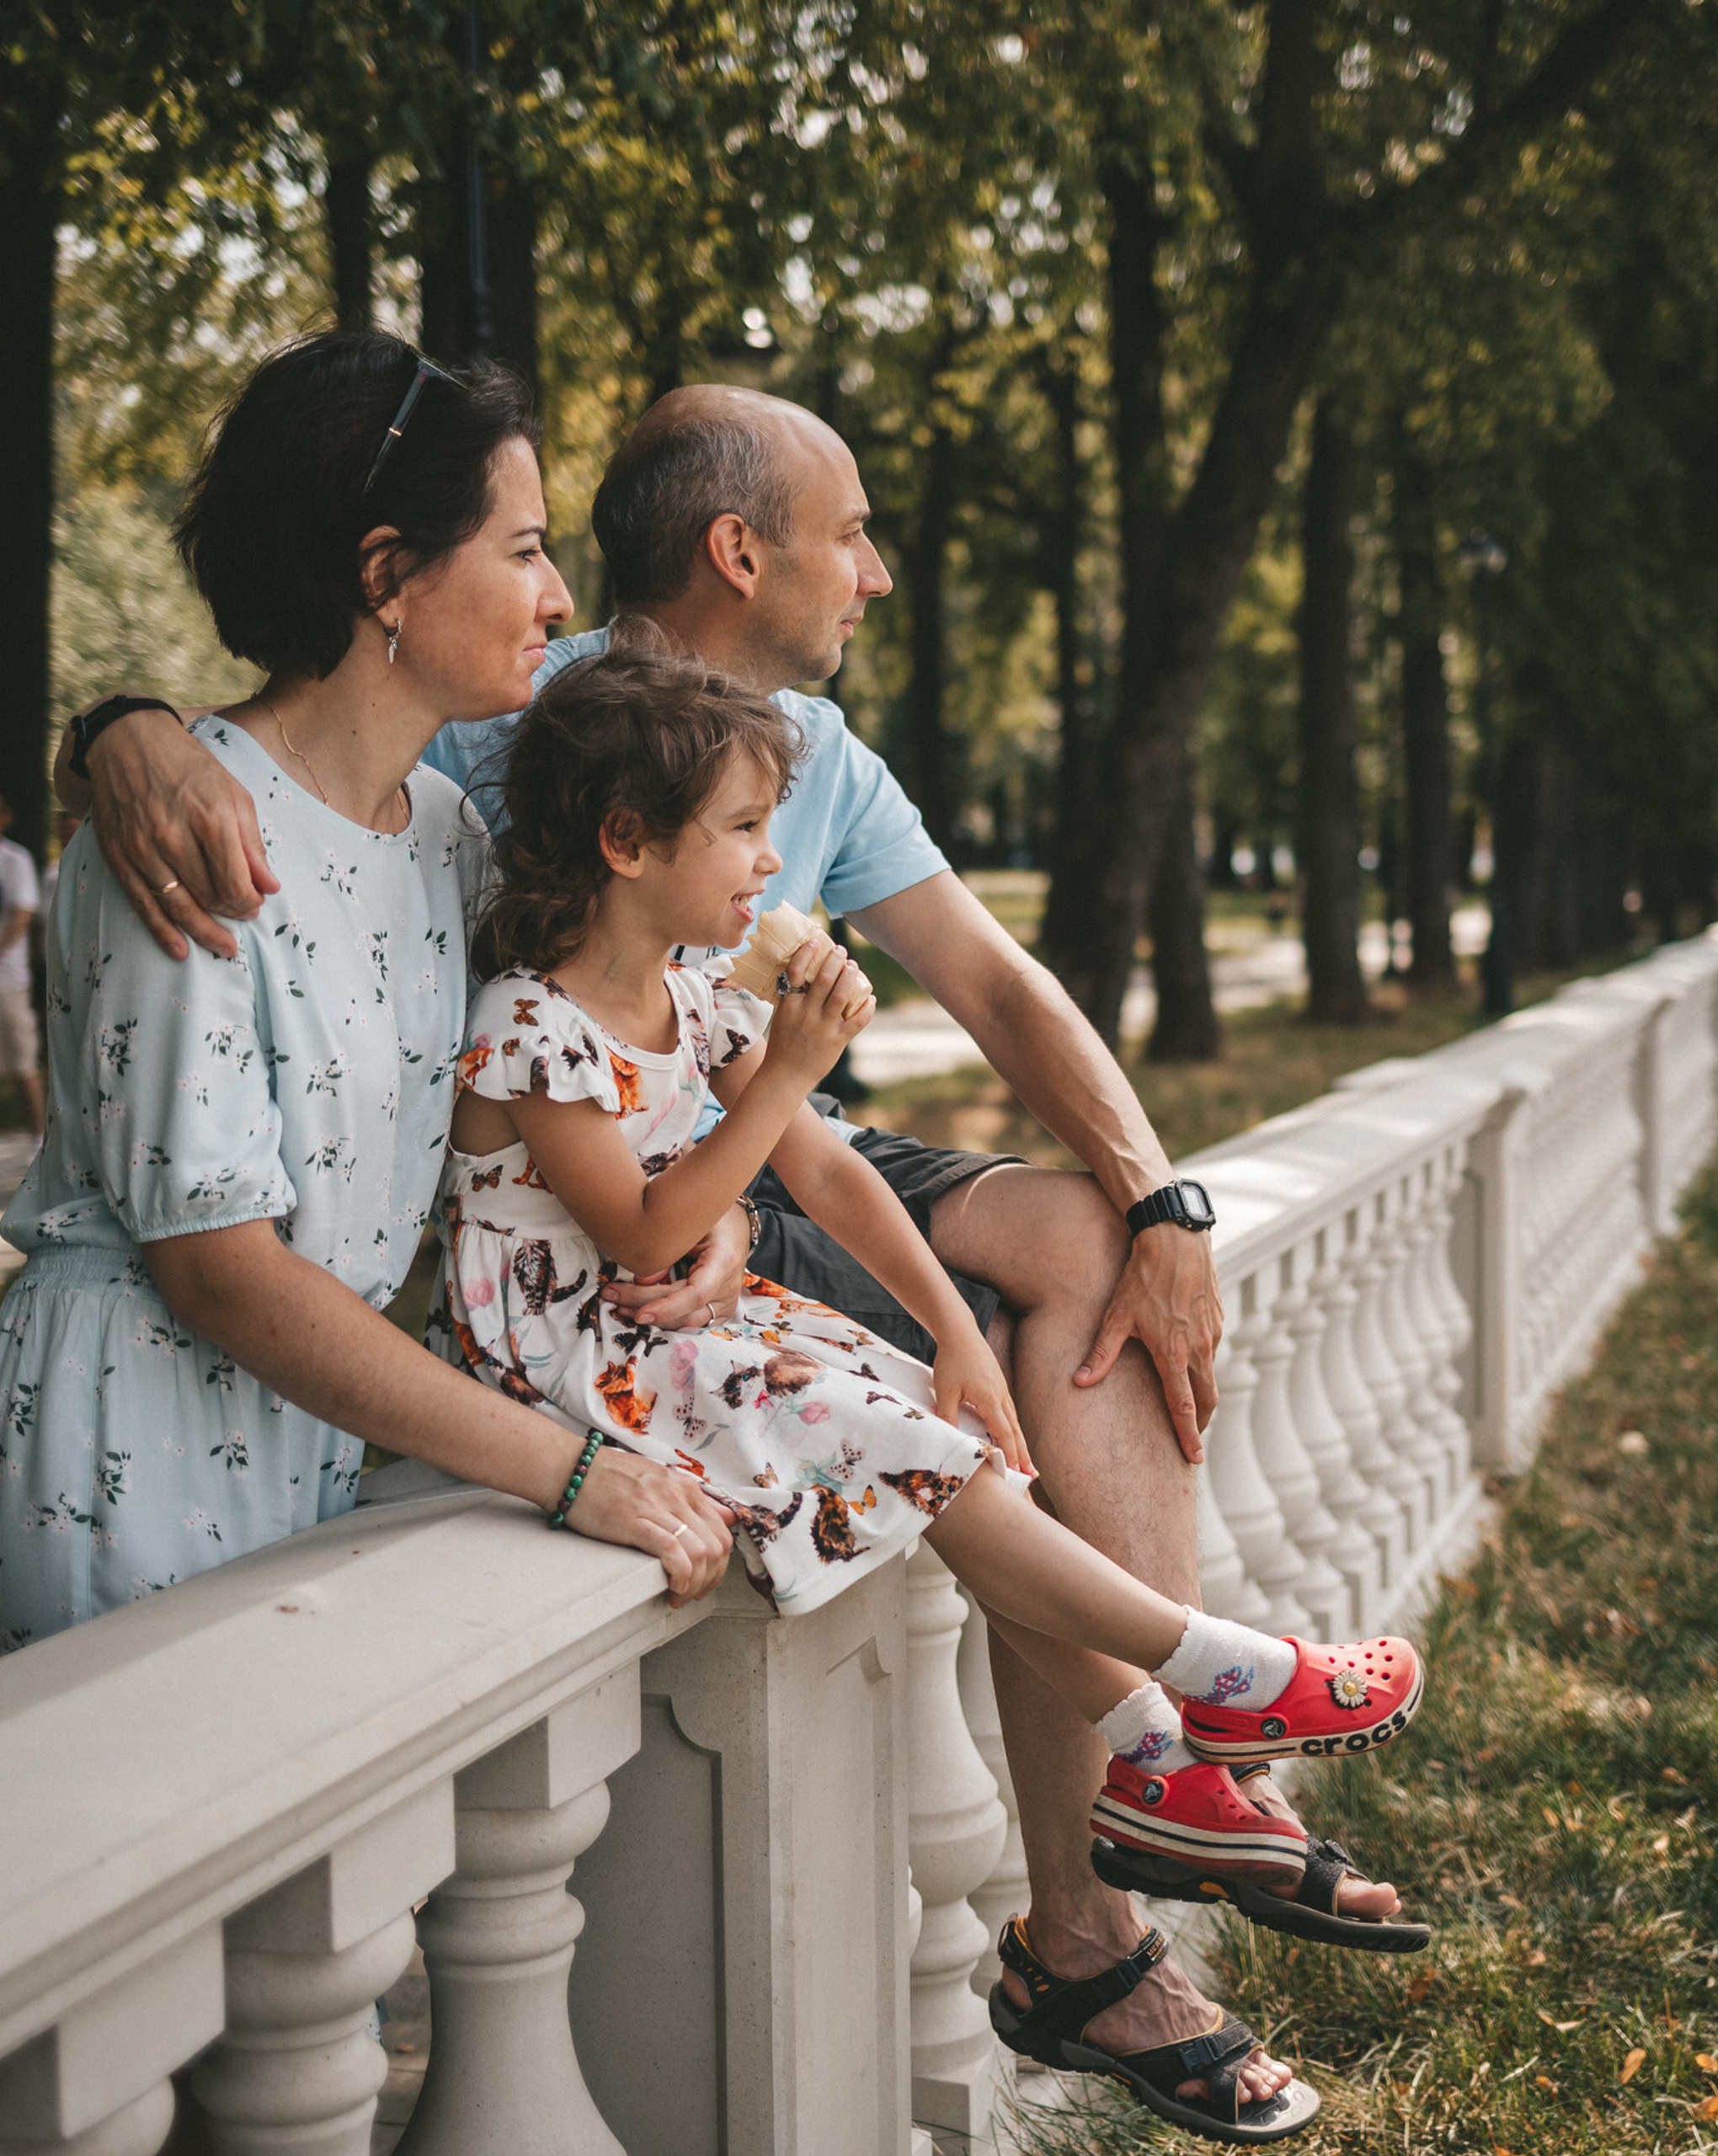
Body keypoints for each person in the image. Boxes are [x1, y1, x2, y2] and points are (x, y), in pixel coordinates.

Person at [56, 384, 1384, 2114]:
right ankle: (1151, 1765)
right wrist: (117, 725)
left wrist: (1155, 1198)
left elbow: (977, 988)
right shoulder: (515, 742)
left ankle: (1132, 1812)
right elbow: (299, 775)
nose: (880, 576)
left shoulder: (690, 772)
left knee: (1068, 1267)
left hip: (691, 1137)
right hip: (548, 1234)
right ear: (739, 550)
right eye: (850, 536)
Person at [441, 633, 1424, 2140]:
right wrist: (784, 1072)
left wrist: (954, 1334)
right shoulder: (531, 1020)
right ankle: (1217, 1677)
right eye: (747, 834)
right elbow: (641, 1228)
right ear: (627, 844)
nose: (776, 865)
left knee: (953, 1433)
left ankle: (1161, 1745)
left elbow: (826, 1171)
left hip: (683, 1330)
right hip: (591, 1355)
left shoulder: (696, 994)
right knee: (919, 1457)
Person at [2, 330, 734, 1652]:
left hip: (322, 1452)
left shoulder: (449, 835)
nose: (561, 595)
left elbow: (569, 1077)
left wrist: (703, 1217)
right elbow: (222, 1272)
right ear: (387, 574)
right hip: (133, 1463)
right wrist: (569, 1471)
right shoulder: (189, 841)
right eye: (521, 549)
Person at [0, 794, 43, 1134]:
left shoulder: (14, 859)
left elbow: (22, 916)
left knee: (22, 1060)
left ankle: (38, 1138)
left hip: (7, 979)